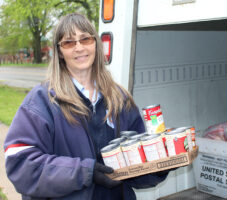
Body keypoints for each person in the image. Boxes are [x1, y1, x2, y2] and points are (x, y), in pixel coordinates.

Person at [4, 13, 168, 200]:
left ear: (96, 44)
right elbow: (20, 163)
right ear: (59, 52)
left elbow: (136, 166)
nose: (79, 47)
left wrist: (161, 165)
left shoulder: (119, 98)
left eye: (85, 39)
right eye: (69, 42)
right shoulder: (42, 101)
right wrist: (85, 172)